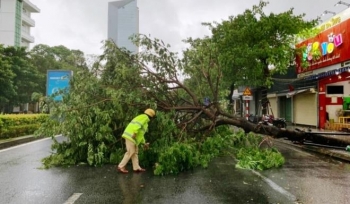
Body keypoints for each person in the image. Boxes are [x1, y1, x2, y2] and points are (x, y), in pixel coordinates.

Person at [117, 108, 156, 174]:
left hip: (133, 138)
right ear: (151, 116)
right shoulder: (145, 117)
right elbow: (137, 124)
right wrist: (135, 132)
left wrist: (144, 143)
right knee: (130, 152)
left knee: (135, 152)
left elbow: (141, 134)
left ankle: (136, 167)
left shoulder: (144, 119)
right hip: (131, 136)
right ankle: (121, 166)